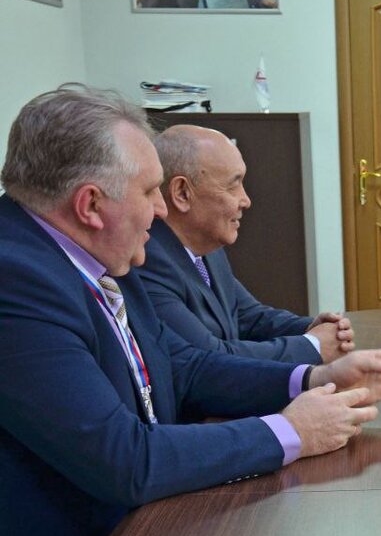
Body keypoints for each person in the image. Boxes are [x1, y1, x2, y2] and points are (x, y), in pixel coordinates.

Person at [0, 85, 381, 536]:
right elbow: (124, 459)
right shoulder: (18, 282)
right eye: (150, 191)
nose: (160, 211)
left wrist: (315, 378)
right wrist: (291, 432)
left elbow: (183, 367)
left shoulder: (97, 251)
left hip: (142, 529)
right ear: (90, 205)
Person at [139, 125, 350, 364]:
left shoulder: (208, 249)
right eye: (233, 185)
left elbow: (249, 317)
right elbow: (209, 358)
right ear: (182, 193)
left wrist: (313, 327)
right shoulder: (149, 259)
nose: (246, 200)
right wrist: (312, 345)